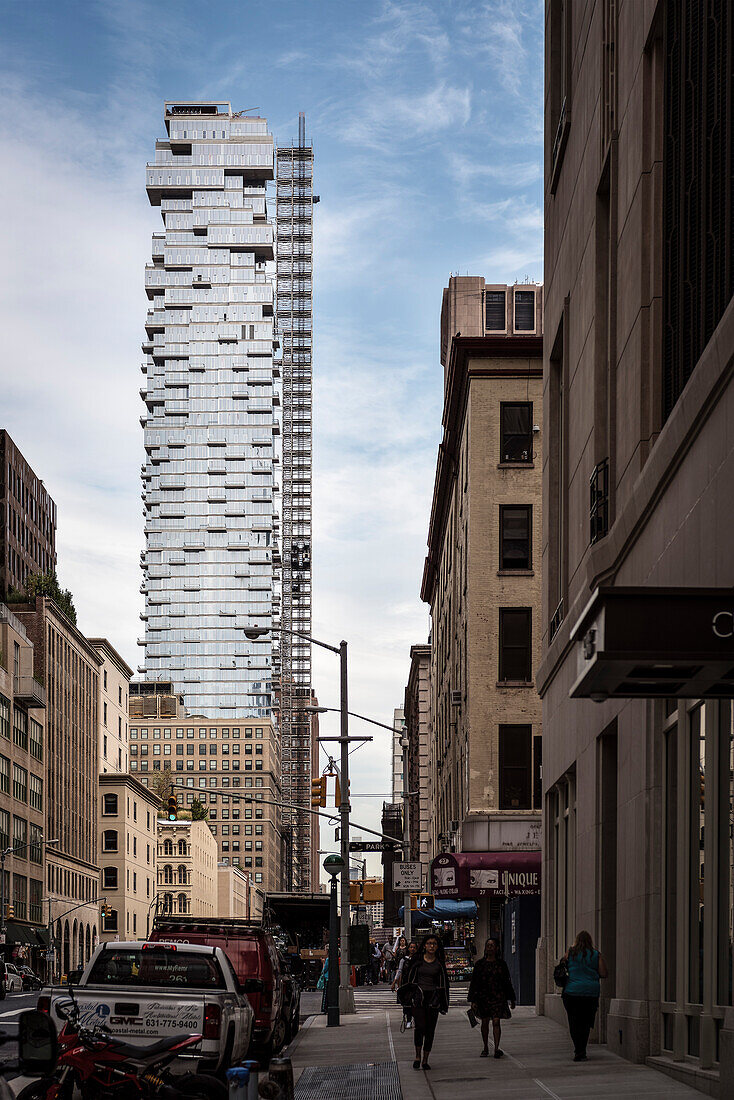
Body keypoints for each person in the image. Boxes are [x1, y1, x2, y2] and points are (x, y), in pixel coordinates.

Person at [403, 934, 450, 1070]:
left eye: (434, 944)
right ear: (424, 945)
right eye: (429, 943)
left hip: (433, 999)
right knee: (420, 1027)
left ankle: (425, 1059)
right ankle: (417, 1056)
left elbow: (444, 984)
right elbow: (409, 979)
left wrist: (443, 1002)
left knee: (430, 1030)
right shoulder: (417, 961)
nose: (431, 946)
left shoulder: (439, 964)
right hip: (419, 998)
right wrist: (407, 998)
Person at [562, 930, 608, 1061]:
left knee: (574, 1022)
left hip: (572, 992)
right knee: (586, 1023)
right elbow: (604, 973)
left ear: (576, 941)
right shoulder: (595, 954)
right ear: (590, 941)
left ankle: (578, 1050)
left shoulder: (570, 953)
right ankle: (582, 1050)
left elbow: (562, 964)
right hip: (590, 993)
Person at [468, 938, 516, 1058]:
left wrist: (512, 998)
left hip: (498, 996)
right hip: (483, 997)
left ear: (497, 948)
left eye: (492, 945)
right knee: (485, 1022)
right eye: (488, 945)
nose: (489, 947)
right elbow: (474, 982)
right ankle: (485, 1047)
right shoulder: (480, 965)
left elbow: (507, 982)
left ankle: (496, 1048)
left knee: (496, 1021)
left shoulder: (501, 964)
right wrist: (473, 1000)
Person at [392, 939, 418, 1028]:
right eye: (411, 947)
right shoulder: (403, 960)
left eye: (414, 947)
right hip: (406, 984)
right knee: (407, 1003)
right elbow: (399, 971)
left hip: (416, 984)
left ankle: (417, 1019)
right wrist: (394, 982)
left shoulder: (419, 959)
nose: (412, 949)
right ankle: (408, 1020)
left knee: (417, 1003)